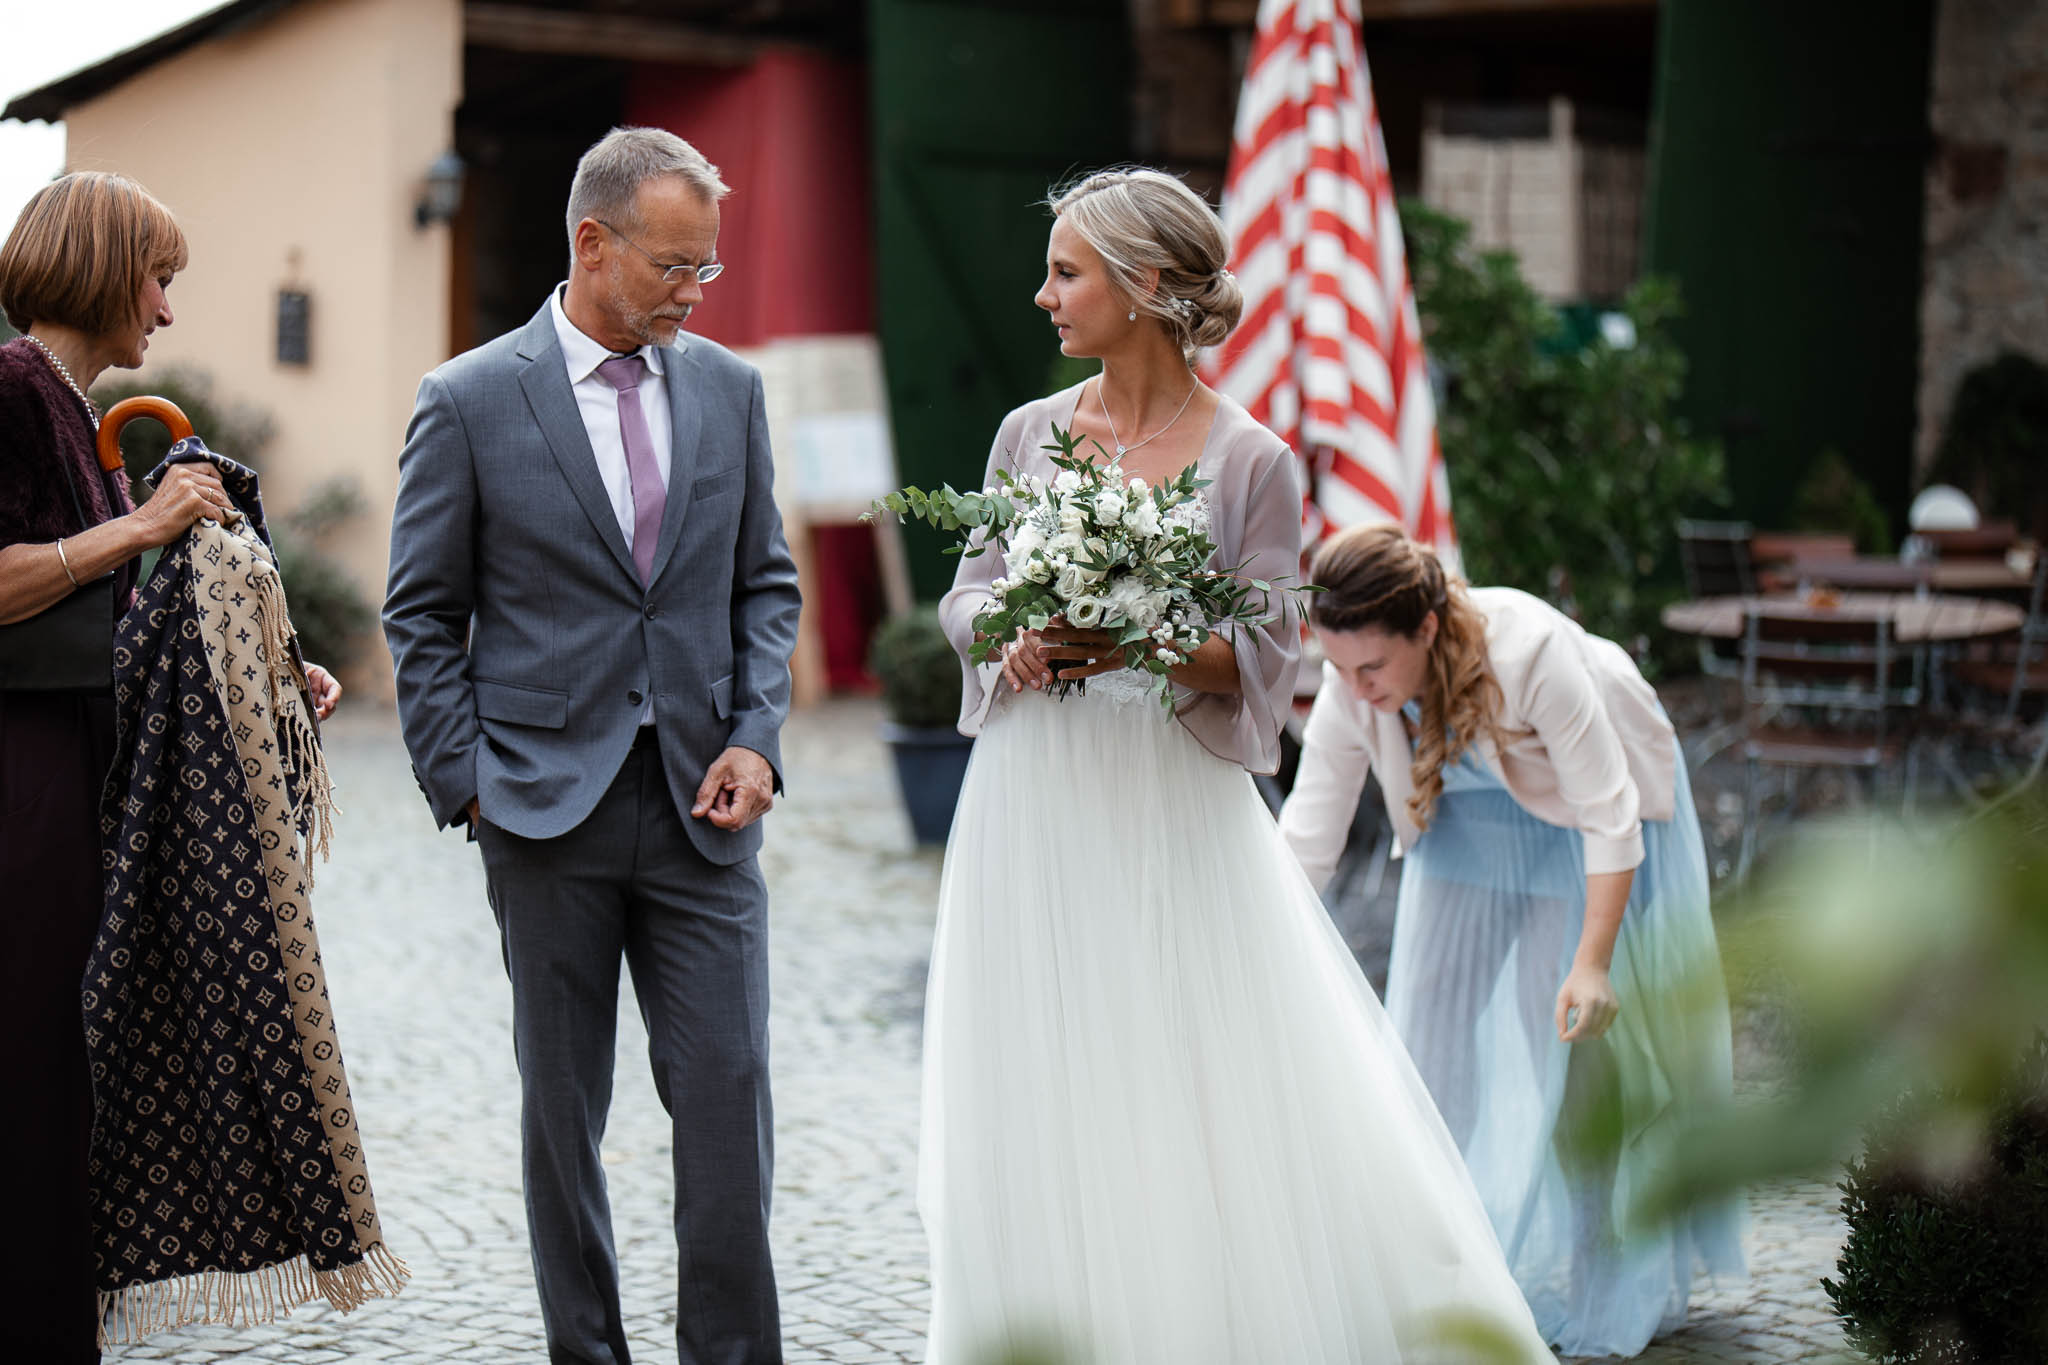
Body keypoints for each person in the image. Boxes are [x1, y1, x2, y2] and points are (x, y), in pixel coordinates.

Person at [920, 167, 1555, 1365]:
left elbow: (1260, 657)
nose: (1042, 294)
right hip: (1032, 789)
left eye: (1067, 271)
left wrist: (1127, 634)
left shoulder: (1254, 458)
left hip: (1170, 797)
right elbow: (963, 601)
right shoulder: (1027, 434)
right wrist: (1006, 638)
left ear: (1146, 284)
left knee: (1180, 1056)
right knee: (1043, 1056)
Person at [384, 126, 802, 1365]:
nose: (693, 291)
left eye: (706, 271)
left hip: (706, 811)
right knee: (562, 1119)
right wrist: (468, 787)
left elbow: (763, 589)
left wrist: (759, 738)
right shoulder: (464, 400)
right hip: (538, 814)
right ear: (592, 243)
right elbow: (418, 612)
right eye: (675, 267)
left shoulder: (730, 390)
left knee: (728, 1099)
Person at [0, 171, 340, 1364]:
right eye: (158, 278)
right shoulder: (4, 391)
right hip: (23, 801)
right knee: (37, 1085)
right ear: (99, 269)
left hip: (71, 786)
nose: (166, 309)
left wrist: (261, 671)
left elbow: (109, 625)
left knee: (68, 1092)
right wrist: (142, 527)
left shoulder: (73, 411)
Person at [1279, 524, 1747, 1358]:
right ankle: (1437, 1276)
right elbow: (1308, 839)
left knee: (1561, 1044)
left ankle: (1598, 1264)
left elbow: (1609, 813)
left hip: (1586, 820)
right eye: (1339, 667)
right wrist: (1258, 949)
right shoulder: (1355, 685)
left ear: (1424, 628)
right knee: (1424, 1044)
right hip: (1469, 815)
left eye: (1370, 668)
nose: (1352, 688)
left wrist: (1591, 965)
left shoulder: (1531, 651)